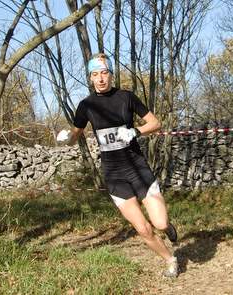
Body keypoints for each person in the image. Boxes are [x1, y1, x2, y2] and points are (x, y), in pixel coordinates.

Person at [57, 53, 179, 278]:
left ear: (111, 75)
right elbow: (75, 136)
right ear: (90, 78)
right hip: (114, 175)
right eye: (95, 74)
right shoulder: (86, 106)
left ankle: (168, 228)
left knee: (159, 223)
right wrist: (66, 138)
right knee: (142, 228)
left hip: (137, 169)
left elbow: (156, 123)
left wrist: (135, 131)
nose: (101, 78)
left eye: (104, 73)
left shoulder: (126, 97)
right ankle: (170, 259)